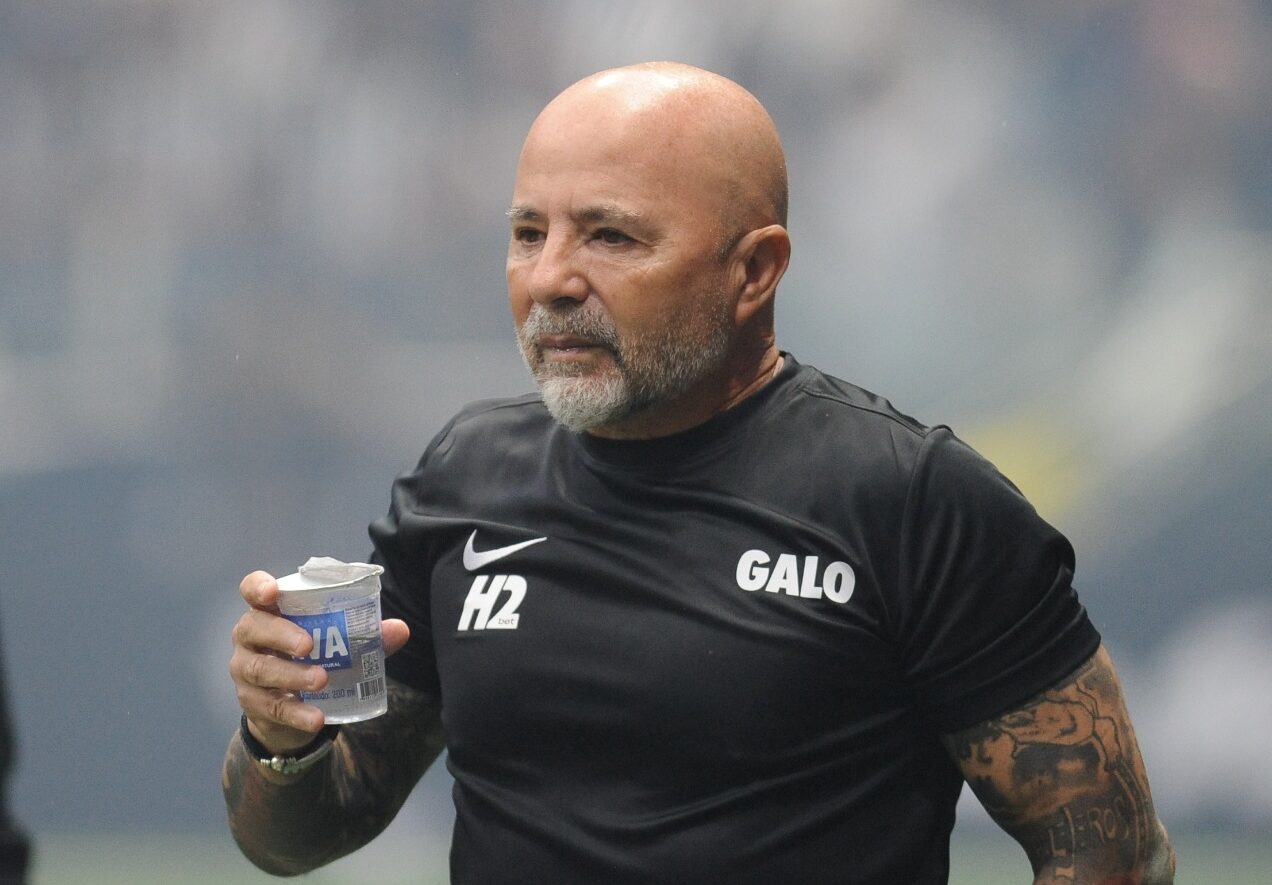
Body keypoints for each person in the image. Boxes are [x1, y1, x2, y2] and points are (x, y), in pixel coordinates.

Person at [223, 62, 1175, 884]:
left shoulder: (914, 500)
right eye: (528, 233)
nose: (550, 278)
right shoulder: (459, 477)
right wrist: (281, 739)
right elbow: (299, 836)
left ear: (754, 270)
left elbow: (1114, 853)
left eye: (611, 236)